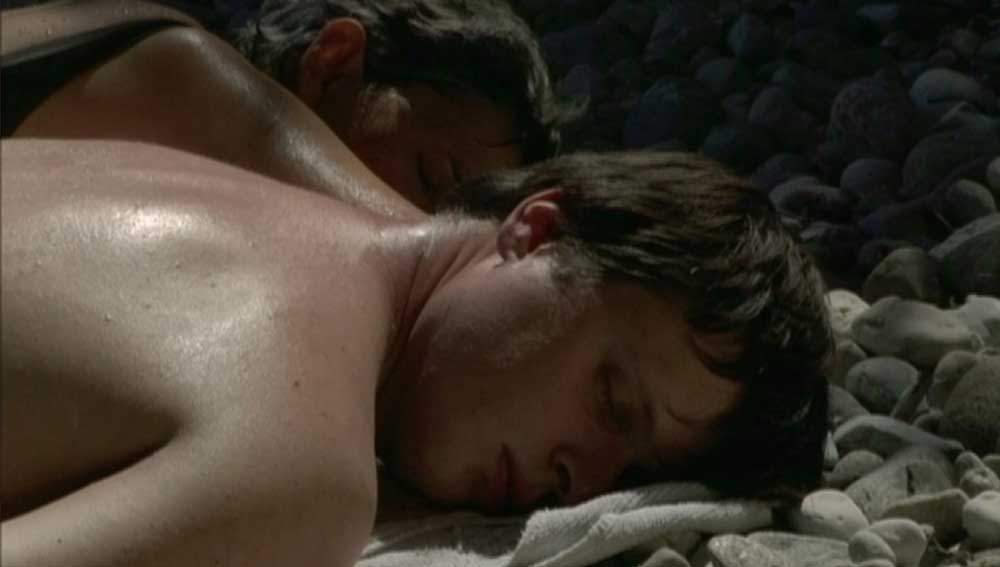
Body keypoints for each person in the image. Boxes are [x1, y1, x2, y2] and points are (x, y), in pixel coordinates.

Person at [1, 138, 833, 566]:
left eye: (631, 475)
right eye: (613, 403)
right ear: (536, 230)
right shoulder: (302, 461)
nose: (579, 478)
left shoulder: (204, 174)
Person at [1, 0, 576, 216]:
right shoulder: (186, 70)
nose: (422, 220)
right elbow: (430, 258)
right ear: (331, 63)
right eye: (429, 177)